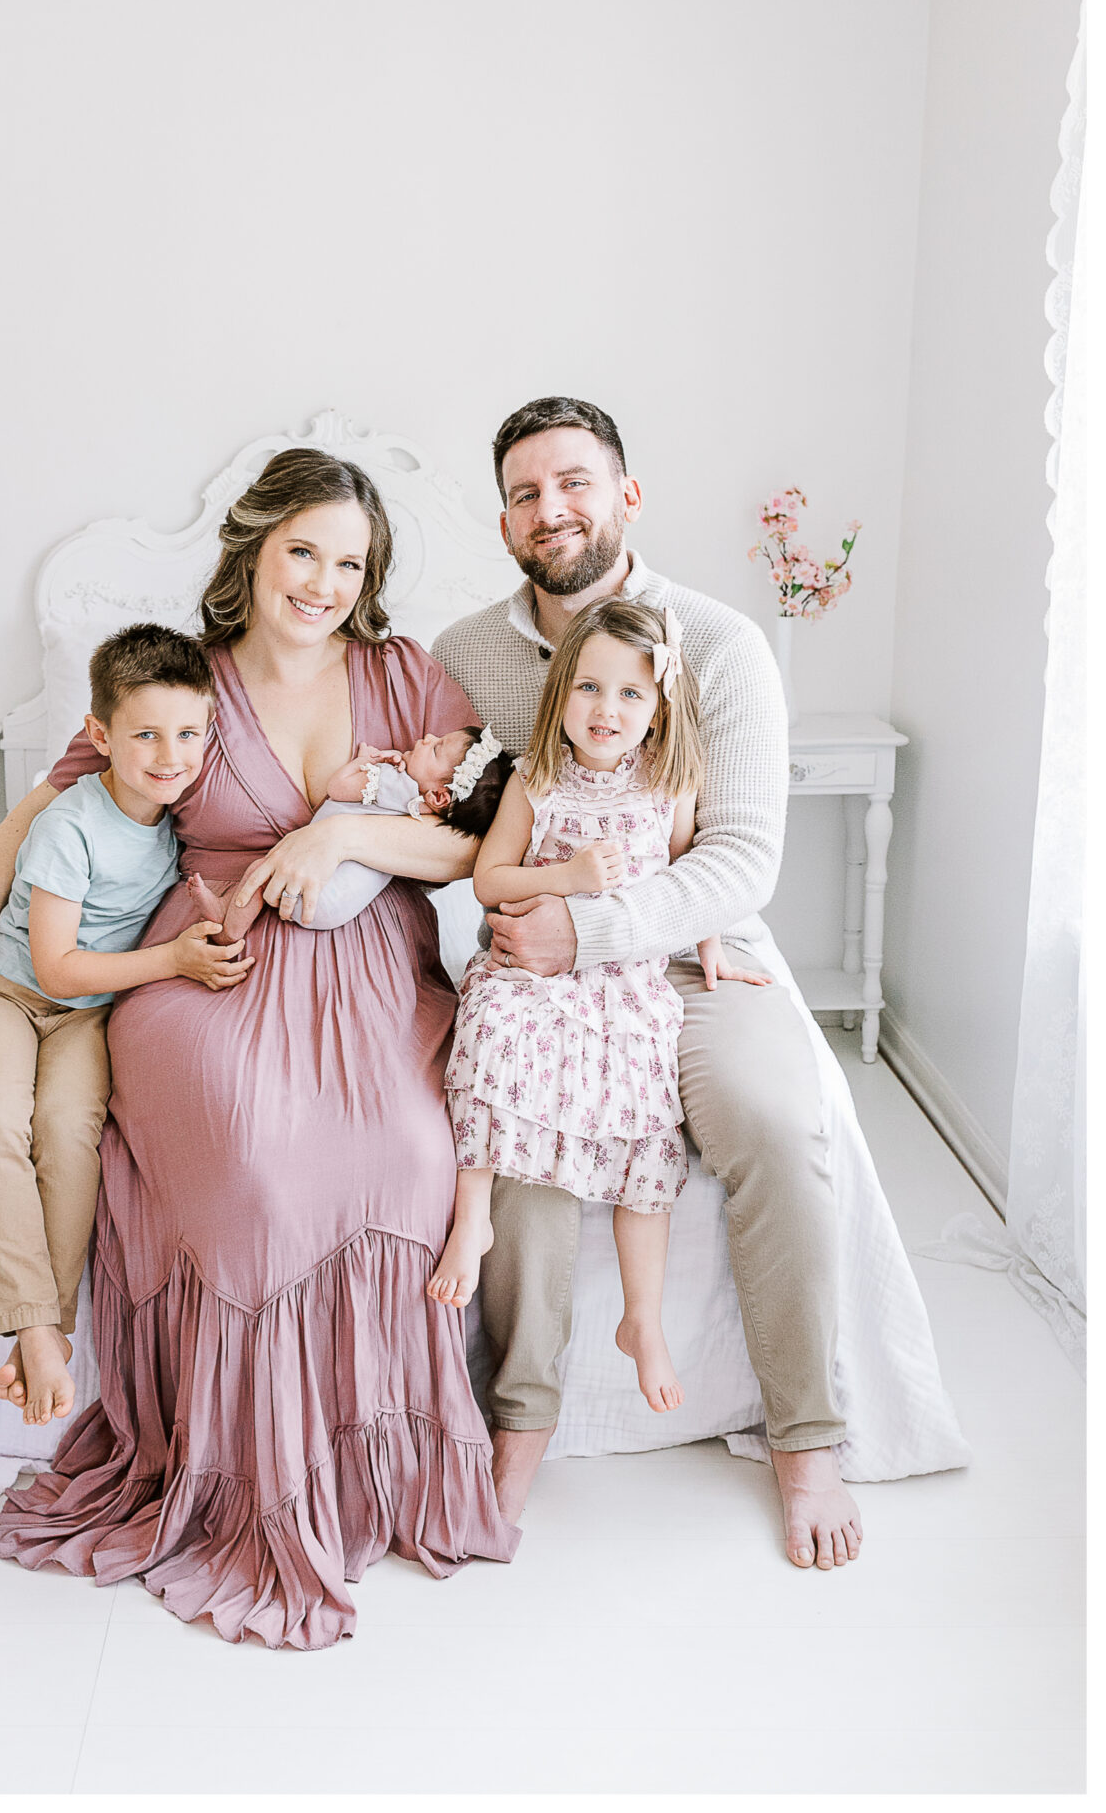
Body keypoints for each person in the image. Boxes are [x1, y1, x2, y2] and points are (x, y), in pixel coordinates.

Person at [0, 447, 519, 1649]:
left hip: (370, 962)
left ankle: (370, 1469)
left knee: (410, 1150)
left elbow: (475, 846)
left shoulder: (405, 673)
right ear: (252, 547)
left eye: (349, 562)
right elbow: (40, 813)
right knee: (253, 1163)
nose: (323, 583)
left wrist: (339, 837)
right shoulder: (184, 682)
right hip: (208, 962)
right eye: (303, 551)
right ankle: (246, 1479)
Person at [431, 395, 864, 1572]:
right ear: (504, 521)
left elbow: (740, 855)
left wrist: (590, 928)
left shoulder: (719, 644)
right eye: (524, 493)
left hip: (691, 944)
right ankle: (516, 1423)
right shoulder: (464, 653)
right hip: (536, 951)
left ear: (625, 494)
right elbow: (438, 803)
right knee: (520, 1139)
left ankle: (804, 1439)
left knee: (772, 1119)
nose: (550, 508)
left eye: (572, 481)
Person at [430, 600, 768, 1416]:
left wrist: (712, 941)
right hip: (532, 971)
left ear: (658, 709)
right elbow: (489, 880)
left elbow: (687, 873)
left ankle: (640, 1319)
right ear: (560, 694)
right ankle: (472, 1218)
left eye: (629, 693)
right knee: (487, 1027)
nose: (605, 710)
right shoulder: (535, 780)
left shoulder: (669, 786)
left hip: (624, 980)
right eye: (587, 687)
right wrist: (567, 878)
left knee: (643, 1120)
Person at [0, 625, 253, 1428]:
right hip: (11, 994)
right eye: (145, 734)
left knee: (69, 1128)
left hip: (88, 1018)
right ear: (100, 735)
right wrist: (173, 961)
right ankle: (37, 1326)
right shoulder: (69, 823)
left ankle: (43, 1333)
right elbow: (54, 969)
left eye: (187, 734)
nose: (169, 755)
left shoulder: (181, 824)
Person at [188, 723, 512, 943]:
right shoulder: (424, 811)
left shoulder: (393, 783)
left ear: (440, 796)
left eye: (437, 748)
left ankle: (228, 927)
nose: (427, 737)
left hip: (316, 889)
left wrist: (365, 762)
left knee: (261, 872)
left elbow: (338, 788)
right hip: (340, 903)